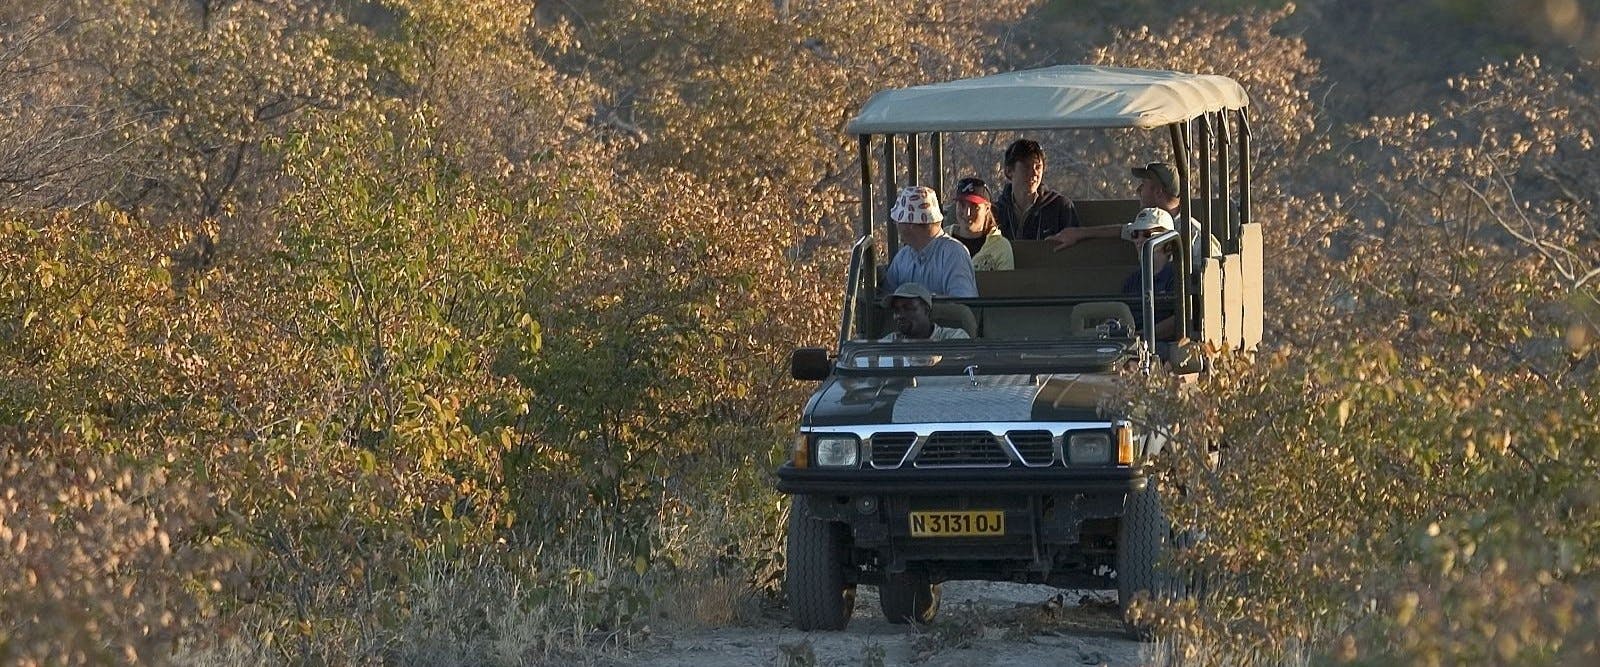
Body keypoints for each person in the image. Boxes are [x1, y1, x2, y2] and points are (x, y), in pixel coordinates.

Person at [883, 185, 978, 298]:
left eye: (898, 221)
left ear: (910, 224)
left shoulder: (954, 255)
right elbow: (887, 298)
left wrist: (927, 305)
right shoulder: (902, 258)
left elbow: (964, 304)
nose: (896, 226)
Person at [993, 139, 1082, 241]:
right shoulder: (996, 212)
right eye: (1026, 167)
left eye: (1038, 167)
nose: (1034, 173)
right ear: (1009, 171)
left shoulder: (1060, 207)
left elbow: (1075, 251)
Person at [1121, 207, 1181, 340]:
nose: (1139, 240)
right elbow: (1122, 315)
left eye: (1147, 234)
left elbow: (1180, 320)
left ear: (1168, 242)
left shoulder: (1178, 277)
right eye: (1135, 234)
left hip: (1166, 347)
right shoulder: (1133, 281)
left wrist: (1142, 337)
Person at [946, 177, 1014, 271]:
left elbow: (1006, 284)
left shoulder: (1000, 248)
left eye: (974, 206)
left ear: (987, 209)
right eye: (962, 205)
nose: (967, 213)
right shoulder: (941, 240)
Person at [879, 282, 970, 342]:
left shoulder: (953, 337)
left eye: (908, 308)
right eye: (896, 310)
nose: (899, 315)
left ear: (926, 310)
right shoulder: (890, 341)